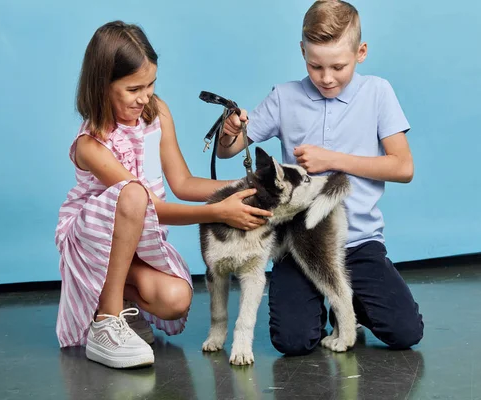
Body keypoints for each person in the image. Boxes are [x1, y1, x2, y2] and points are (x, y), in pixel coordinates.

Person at [54, 21, 273, 369]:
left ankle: (110, 297)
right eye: (133, 88)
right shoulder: (90, 145)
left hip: (137, 243)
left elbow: (183, 183)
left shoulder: (157, 113)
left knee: (177, 299)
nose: (145, 96)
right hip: (92, 241)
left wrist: (244, 188)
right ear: (102, 86)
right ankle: (106, 321)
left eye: (151, 83)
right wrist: (219, 212)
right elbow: (148, 206)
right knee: (135, 194)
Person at [218, 0, 424, 354]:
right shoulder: (284, 97)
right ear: (302, 52)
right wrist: (229, 130)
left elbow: (402, 167)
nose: (327, 78)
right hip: (298, 240)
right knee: (293, 342)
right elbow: (229, 150)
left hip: (359, 242)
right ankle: (326, 305)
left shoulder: (378, 92)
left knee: (406, 332)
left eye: (338, 67)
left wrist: (333, 160)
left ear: (361, 52)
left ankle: (350, 305)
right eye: (315, 66)